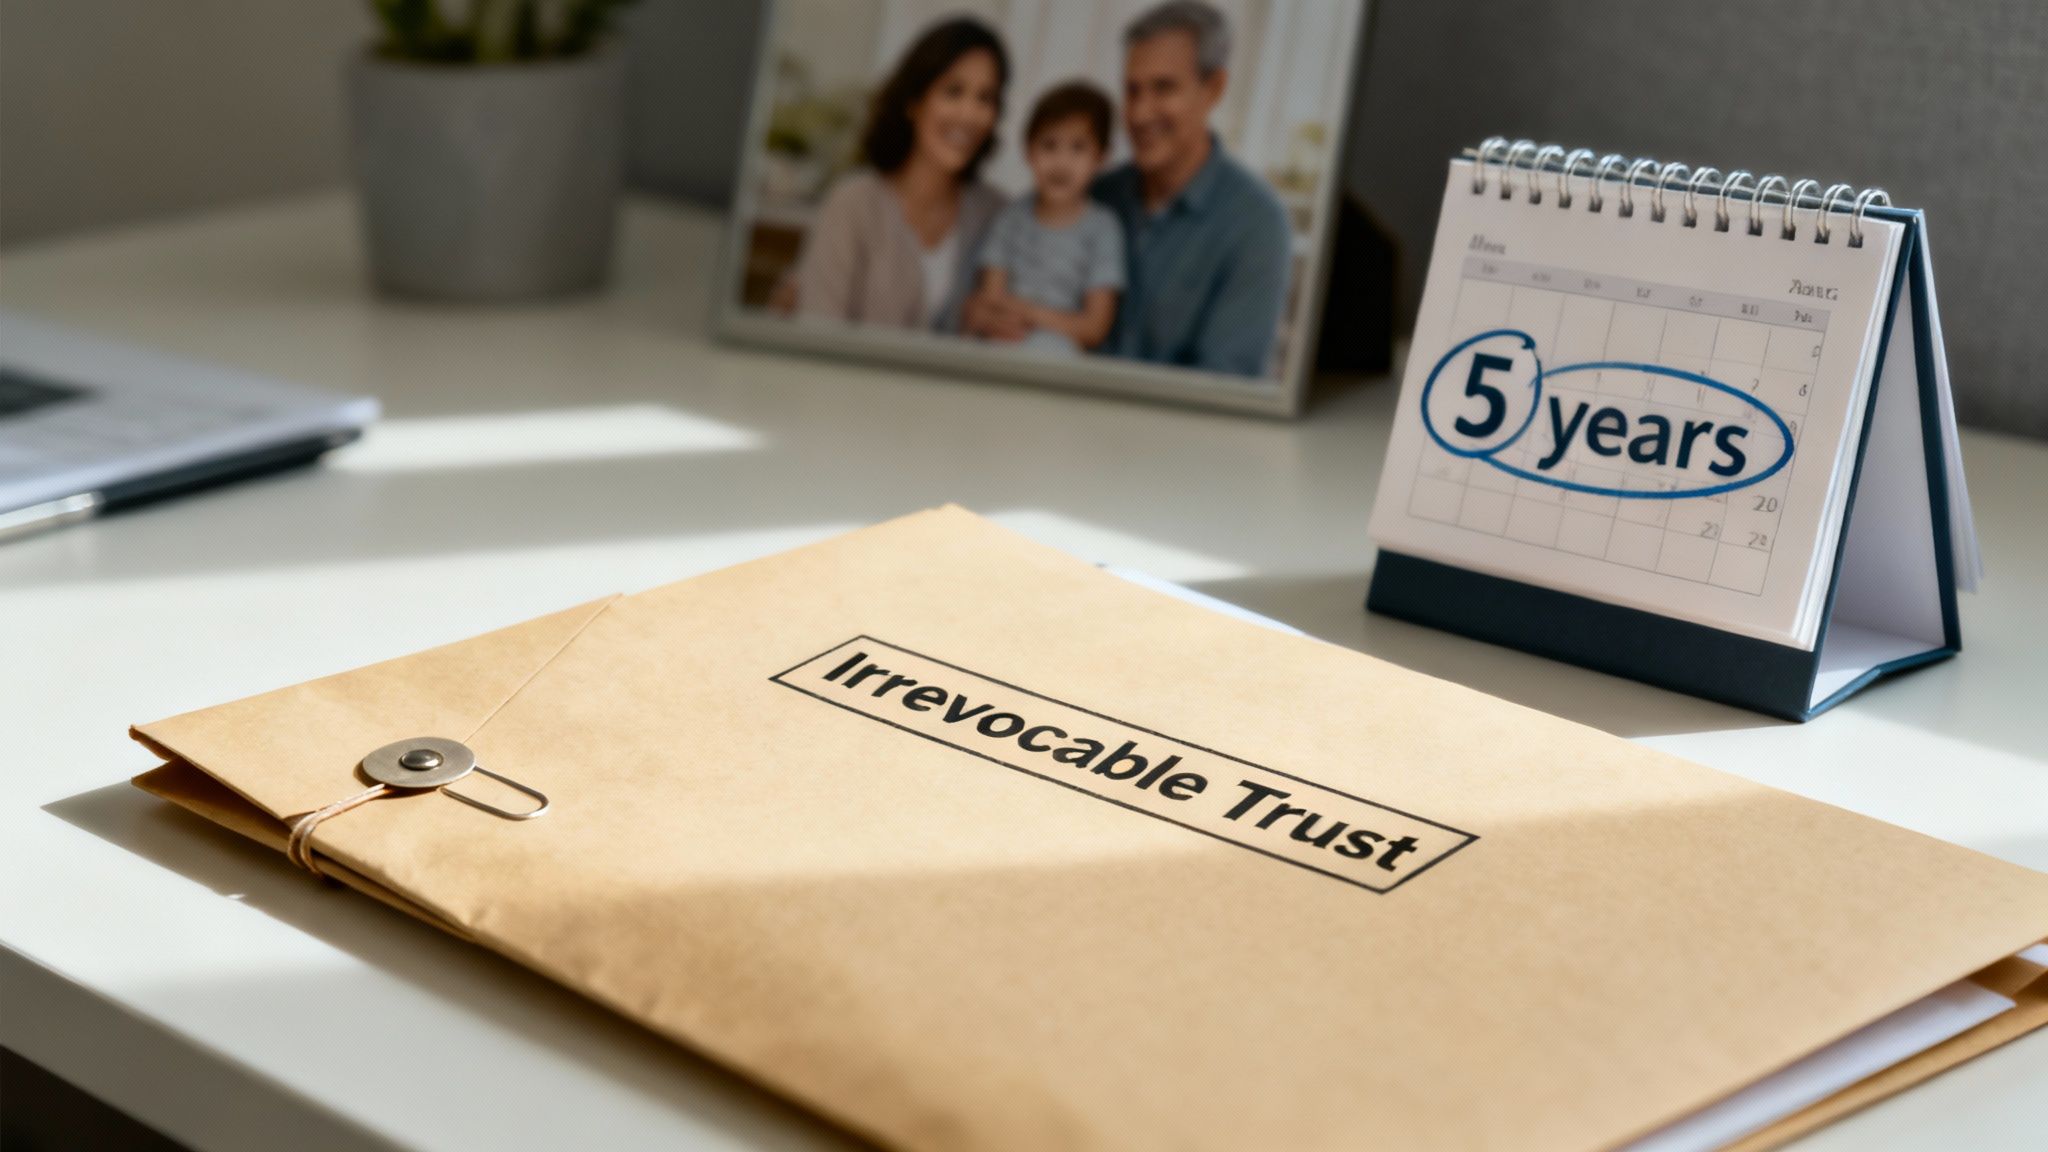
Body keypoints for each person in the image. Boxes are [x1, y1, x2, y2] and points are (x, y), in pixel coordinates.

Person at [970, 1, 1289, 377]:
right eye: (1132, 91)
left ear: (1214, 88)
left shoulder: (1256, 225)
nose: (1139, 113)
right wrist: (982, 314)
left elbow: (1226, 384)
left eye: (1163, 88)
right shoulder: (1095, 194)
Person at [790, 19, 1009, 332]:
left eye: (985, 98)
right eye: (953, 92)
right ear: (914, 102)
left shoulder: (998, 215)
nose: (969, 115)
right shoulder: (853, 205)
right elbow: (814, 331)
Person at [966, 82, 1125, 355]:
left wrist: (1031, 313)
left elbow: (1095, 328)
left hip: (1060, 363)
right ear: (1029, 152)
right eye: (1049, 145)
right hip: (1002, 348)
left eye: (1078, 148)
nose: (1061, 162)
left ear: (1101, 159)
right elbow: (992, 301)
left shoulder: (1103, 228)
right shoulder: (1009, 219)